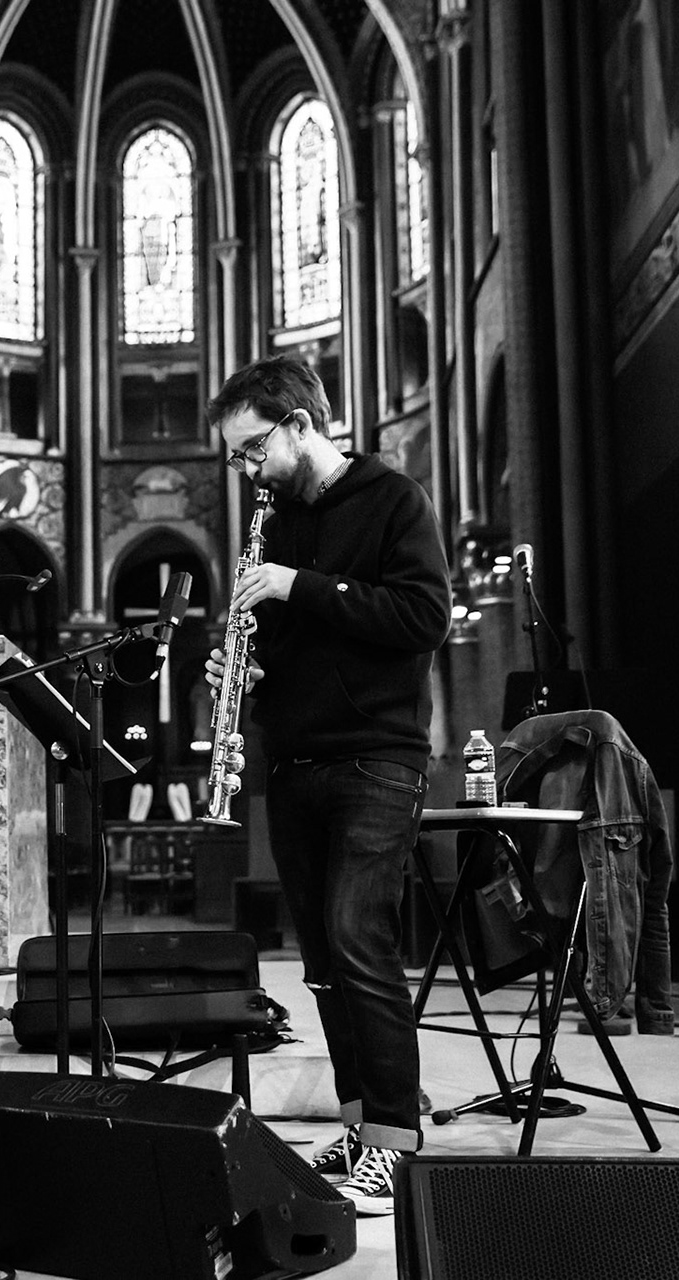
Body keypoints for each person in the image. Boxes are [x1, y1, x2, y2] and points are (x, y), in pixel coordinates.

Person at [204, 355, 450, 1215]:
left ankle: (395, 1138)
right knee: (320, 961)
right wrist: (240, 667)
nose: (246, 472)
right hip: (297, 762)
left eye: (251, 450)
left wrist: (300, 586)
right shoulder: (276, 525)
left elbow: (424, 617)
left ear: (301, 426)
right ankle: (358, 1126)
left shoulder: (394, 501)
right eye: (235, 458)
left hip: (377, 758)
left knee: (359, 940)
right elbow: (298, 646)